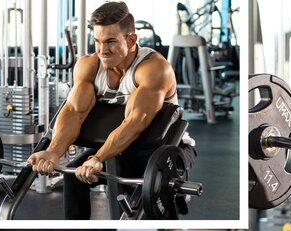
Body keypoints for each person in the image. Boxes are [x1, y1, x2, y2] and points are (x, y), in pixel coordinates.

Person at [28, 1, 196, 219]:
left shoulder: (153, 69)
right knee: (73, 175)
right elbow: (73, 112)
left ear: (132, 39)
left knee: (144, 204)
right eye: (97, 41)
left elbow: (135, 123)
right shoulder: (89, 65)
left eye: (110, 42)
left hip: (165, 150)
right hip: (120, 150)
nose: (102, 50)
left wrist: (97, 158)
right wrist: (54, 152)